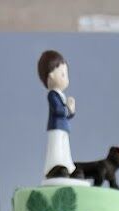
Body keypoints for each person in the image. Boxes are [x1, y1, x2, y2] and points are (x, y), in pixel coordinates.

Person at [37, 49, 81, 180]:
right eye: (63, 74)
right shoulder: (52, 95)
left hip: (63, 127)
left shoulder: (61, 95)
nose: (66, 79)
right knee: (56, 148)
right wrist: (67, 108)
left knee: (65, 148)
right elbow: (58, 110)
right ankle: (53, 168)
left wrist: (71, 111)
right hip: (56, 127)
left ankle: (68, 167)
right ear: (51, 76)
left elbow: (65, 115)